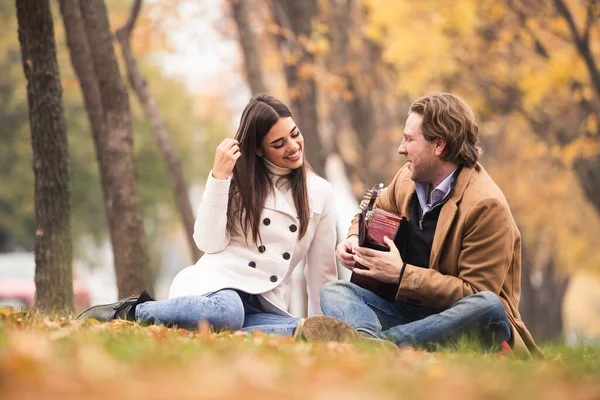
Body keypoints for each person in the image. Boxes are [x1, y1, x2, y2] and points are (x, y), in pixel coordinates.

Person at [295, 93, 542, 358]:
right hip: (409, 313)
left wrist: (401, 275)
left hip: (458, 319)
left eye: (410, 139)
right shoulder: (408, 178)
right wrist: (354, 238)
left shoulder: (486, 205)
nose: (402, 148)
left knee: (488, 306)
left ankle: (375, 345)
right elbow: (370, 212)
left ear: (439, 145)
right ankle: (376, 344)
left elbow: (473, 293)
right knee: (335, 291)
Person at [78, 94, 338, 335]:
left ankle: (234, 330)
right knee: (229, 313)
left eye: (295, 135)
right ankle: (130, 312)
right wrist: (219, 178)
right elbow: (207, 243)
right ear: (259, 149)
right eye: (279, 144)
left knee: (300, 329)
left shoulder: (320, 192)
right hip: (219, 287)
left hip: (266, 303)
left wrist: (324, 324)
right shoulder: (238, 178)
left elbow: (321, 272)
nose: (293, 147)